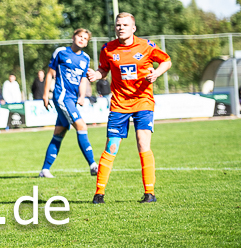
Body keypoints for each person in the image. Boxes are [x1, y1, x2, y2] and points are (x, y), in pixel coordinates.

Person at [87, 12, 172, 205]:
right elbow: (103, 69)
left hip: (143, 101)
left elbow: (166, 61)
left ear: (133, 28)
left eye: (125, 25)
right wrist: (96, 75)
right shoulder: (107, 49)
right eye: (118, 25)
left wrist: (157, 73)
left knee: (143, 144)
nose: (121, 28)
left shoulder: (147, 46)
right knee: (111, 147)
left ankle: (149, 193)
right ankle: (99, 194)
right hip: (119, 103)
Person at [38, 29, 98, 178]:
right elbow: (50, 74)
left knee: (59, 132)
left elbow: (83, 79)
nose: (82, 39)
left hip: (72, 99)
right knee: (81, 126)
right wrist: (45, 94)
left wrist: (82, 96)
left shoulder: (85, 58)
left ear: (87, 43)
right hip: (62, 96)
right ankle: (93, 165)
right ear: (73, 37)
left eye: (85, 38)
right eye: (80, 36)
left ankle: (45, 170)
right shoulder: (61, 52)